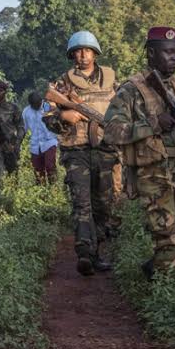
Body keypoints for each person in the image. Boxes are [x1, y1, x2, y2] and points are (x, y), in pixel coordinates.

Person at [104, 26, 175, 279]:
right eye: (167, 52)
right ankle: (168, 290)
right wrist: (152, 124)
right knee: (165, 235)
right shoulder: (131, 90)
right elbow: (111, 131)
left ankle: (156, 268)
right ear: (151, 54)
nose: (173, 57)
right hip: (153, 173)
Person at [43, 31, 117, 276]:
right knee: (81, 201)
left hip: (106, 150)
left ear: (95, 53)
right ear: (72, 54)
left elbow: (124, 111)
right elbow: (48, 116)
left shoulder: (111, 80)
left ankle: (98, 251)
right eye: (77, 51)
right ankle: (85, 252)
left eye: (87, 50)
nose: (82, 55)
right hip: (76, 151)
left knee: (104, 204)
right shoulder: (63, 83)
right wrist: (63, 116)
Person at [22, 91, 58, 184]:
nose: (38, 106)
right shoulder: (26, 112)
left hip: (49, 142)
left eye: (39, 103)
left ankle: (54, 190)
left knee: (50, 167)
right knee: (38, 172)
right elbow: (23, 129)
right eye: (35, 105)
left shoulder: (47, 107)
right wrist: (18, 142)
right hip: (35, 146)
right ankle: (42, 195)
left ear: (41, 101)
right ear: (31, 104)